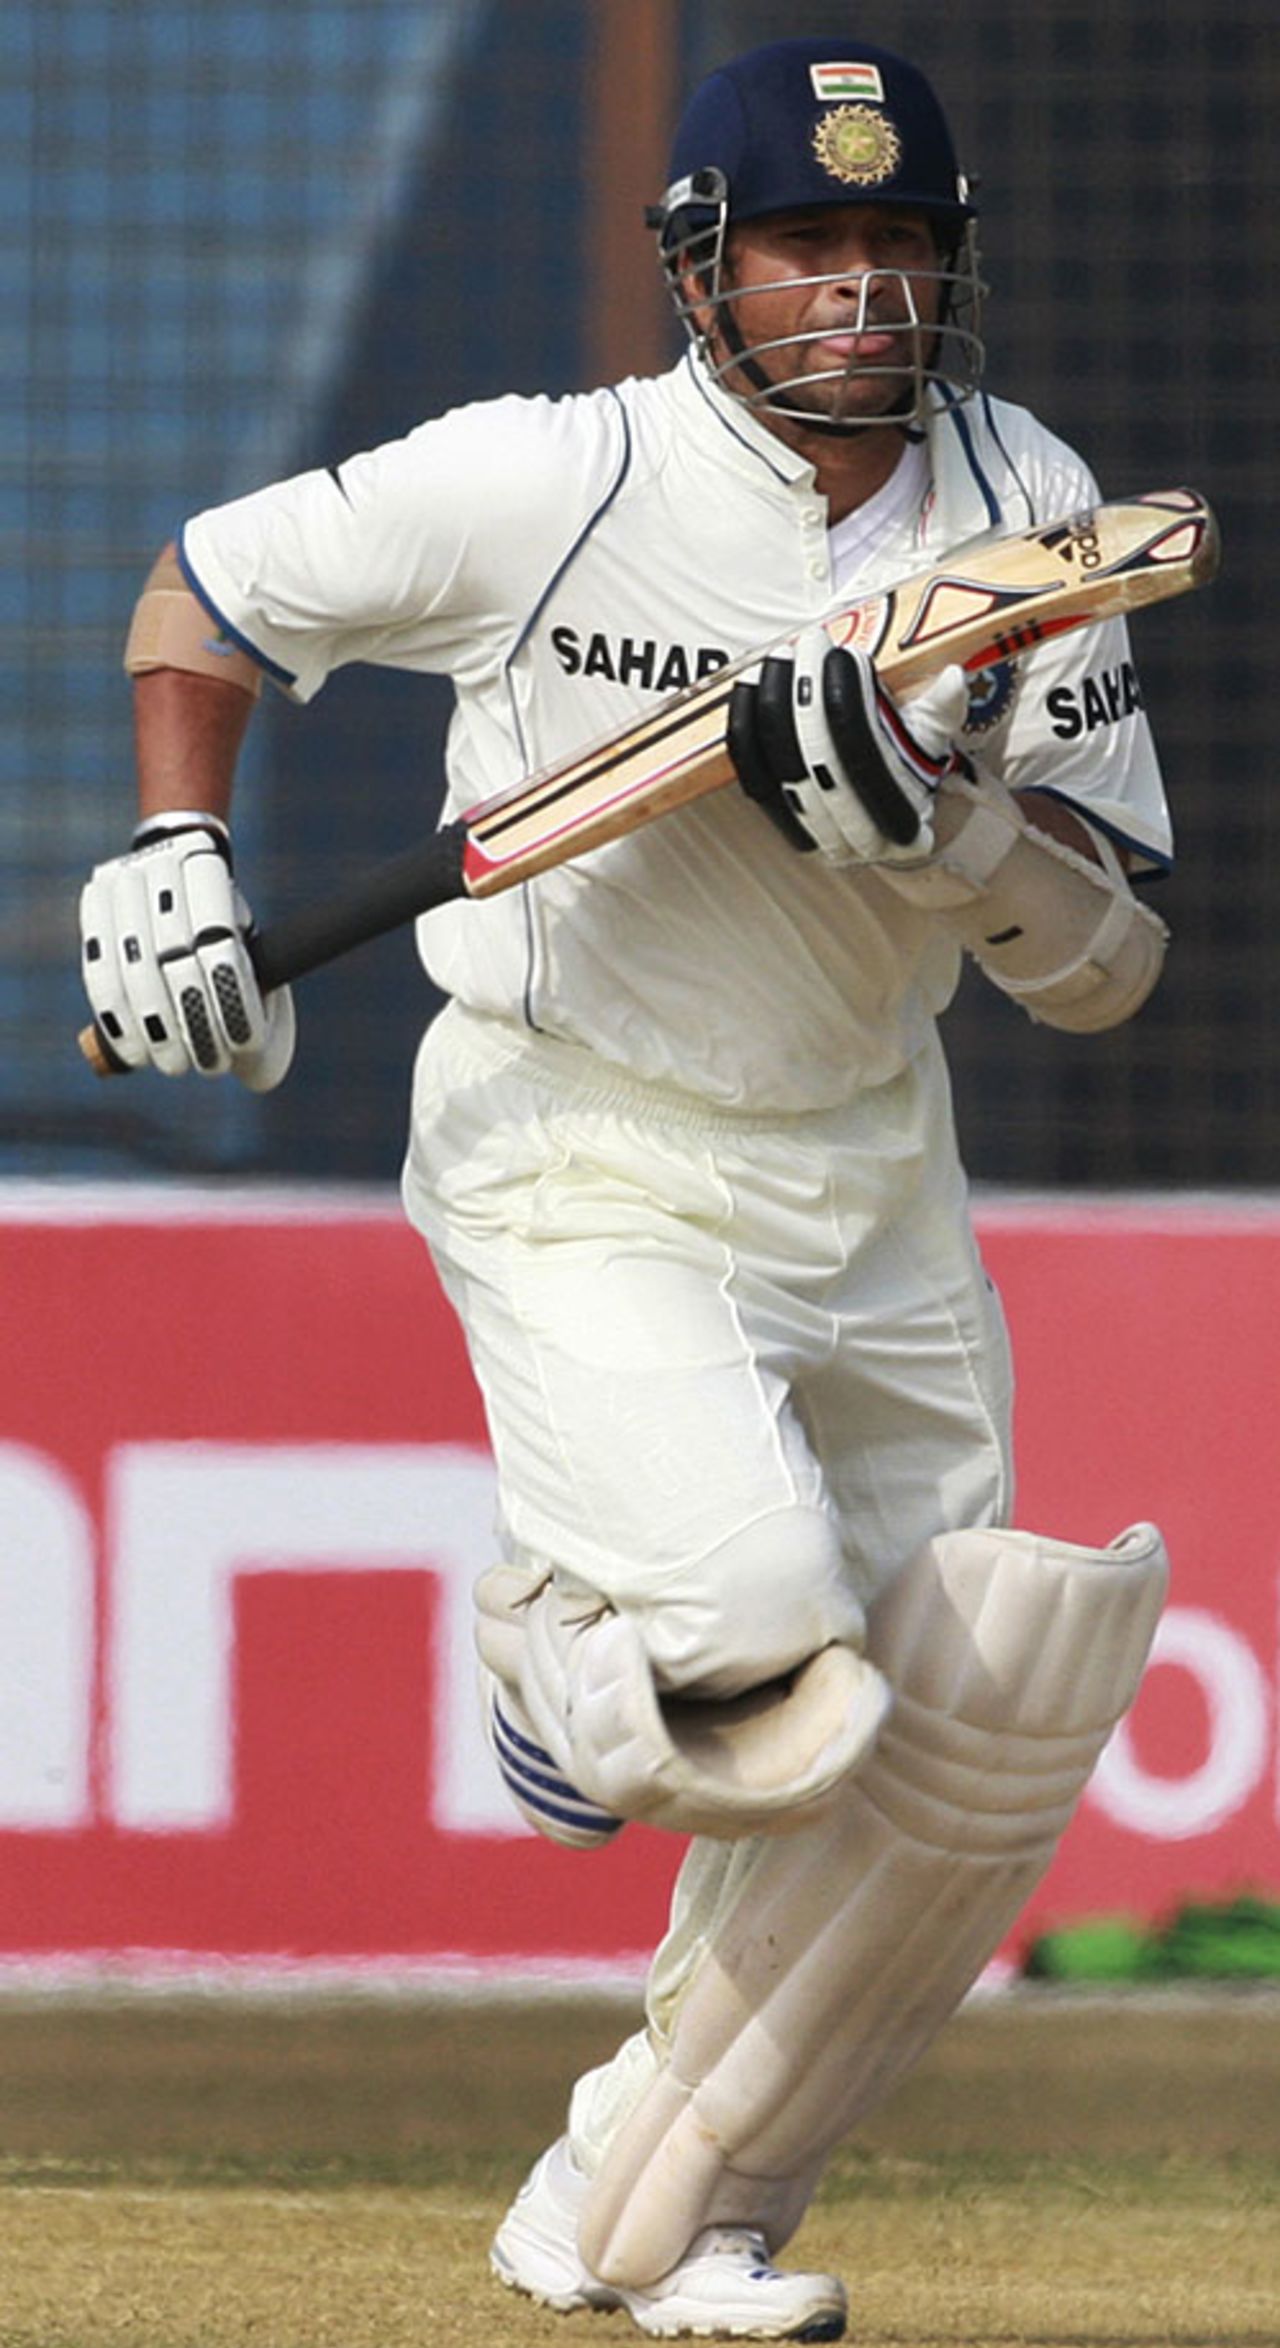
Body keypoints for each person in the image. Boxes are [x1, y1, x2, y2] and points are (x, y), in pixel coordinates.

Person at [79, 35, 1174, 2344]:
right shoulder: (548, 479)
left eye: (897, 247)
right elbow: (208, 589)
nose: (860, 294)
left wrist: (952, 828)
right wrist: (180, 854)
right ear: (701, 268)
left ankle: (657, 2212)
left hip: (871, 1163)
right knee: (754, 1643)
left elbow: (1106, 958)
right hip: (582, 1134)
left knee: (953, 1734)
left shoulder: (1025, 502)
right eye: (806, 246)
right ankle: (568, 1668)